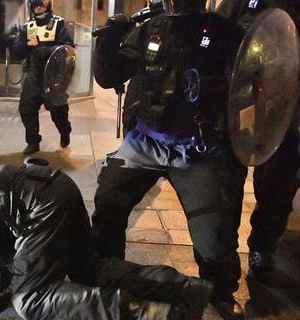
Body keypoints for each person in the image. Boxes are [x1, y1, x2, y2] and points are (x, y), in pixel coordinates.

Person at [0, 162, 215, 320]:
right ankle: (185, 288)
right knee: (86, 270)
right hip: (56, 186)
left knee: (31, 300)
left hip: (40, 208)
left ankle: (149, 314)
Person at [91, 1, 248, 319]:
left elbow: (254, 83)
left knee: (215, 237)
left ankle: (220, 290)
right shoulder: (149, 28)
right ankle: (108, 277)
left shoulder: (225, 33)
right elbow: (109, 77)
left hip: (197, 149)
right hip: (144, 143)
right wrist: (109, 39)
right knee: (108, 201)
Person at [215, 0, 300, 280]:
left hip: (287, 108)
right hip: (240, 104)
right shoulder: (240, 3)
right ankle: (223, 257)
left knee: (278, 187)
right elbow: (219, 39)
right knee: (226, 185)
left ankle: (262, 248)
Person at [11, 0, 74, 155]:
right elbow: (16, 52)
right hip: (33, 75)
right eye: (35, 2)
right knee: (26, 108)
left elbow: (69, 47)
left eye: (42, 1)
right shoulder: (28, 27)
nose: (38, 4)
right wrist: (26, 45)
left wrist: (49, 50)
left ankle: (65, 130)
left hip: (53, 77)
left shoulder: (58, 24)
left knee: (57, 110)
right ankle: (33, 142)